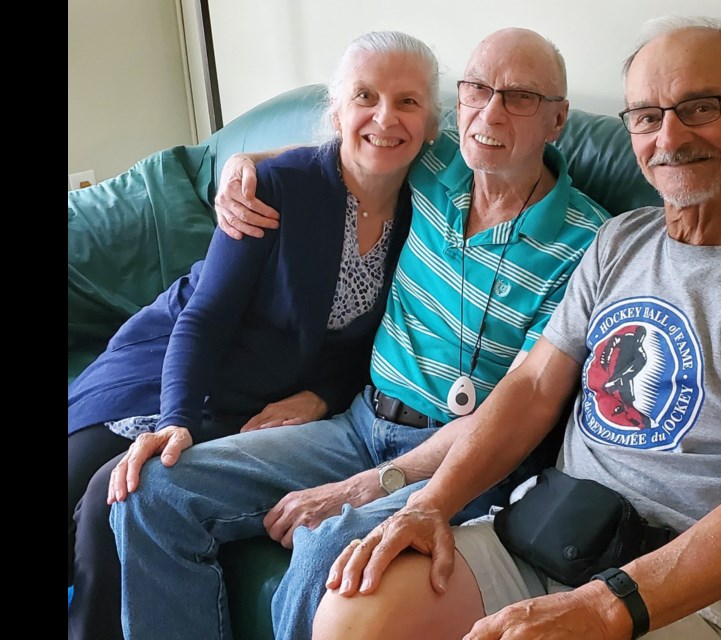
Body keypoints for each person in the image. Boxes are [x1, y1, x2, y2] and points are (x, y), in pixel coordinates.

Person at [313, 15, 721, 640]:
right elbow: (530, 387)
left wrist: (606, 606)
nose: (669, 136)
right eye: (645, 115)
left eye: (700, 106)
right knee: (355, 608)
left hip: (709, 593)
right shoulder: (620, 241)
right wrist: (428, 505)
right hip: (552, 536)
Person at [110, 27, 611, 640]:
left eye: (521, 97)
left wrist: (365, 487)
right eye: (477, 89)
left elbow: (518, 410)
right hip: (357, 422)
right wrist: (245, 168)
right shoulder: (435, 164)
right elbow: (357, 144)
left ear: (556, 120)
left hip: (456, 459)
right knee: (153, 491)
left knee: (330, 555)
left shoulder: (586, 244)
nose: (491, 111)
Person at [66, 30, 441, 640]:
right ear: (337, 111)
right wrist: (175, 417)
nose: (384, 117)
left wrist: (321, 397)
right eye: (364, 96)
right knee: (85, 474)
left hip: (256, 396)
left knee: (112, 499)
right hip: (170, 360)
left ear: (432, 124)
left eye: (407, 102)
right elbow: (203, 318)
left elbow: (375, 347)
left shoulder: (432, 207)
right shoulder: (277, 189)